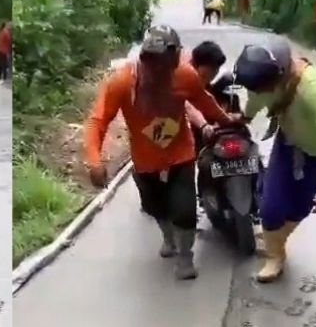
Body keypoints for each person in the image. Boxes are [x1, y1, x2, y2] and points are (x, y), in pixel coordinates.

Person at [84, 25, 233, 280]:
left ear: (175, 62)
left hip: (180, 152)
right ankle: (167, 236)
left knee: (185, 208)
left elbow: (204, 102)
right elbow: (97, 120)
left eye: (167, 66)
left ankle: (186, 257)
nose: (161, 72)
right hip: (145, 160)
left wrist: (226, 121)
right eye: (154, 65)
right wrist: (94, 160)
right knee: (154, 206)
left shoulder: (185, 76)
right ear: (143, 59)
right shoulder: (121, 83)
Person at [232, 37, 316, 283]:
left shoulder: (310, 87)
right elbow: (255, 100)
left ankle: (277, 238)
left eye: (261, 87)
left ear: (281, 76)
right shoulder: (262, 82)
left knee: (300, 207)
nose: (258, 92)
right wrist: (242, 119)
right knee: (270, 207)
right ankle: (275, 255)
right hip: (287, 144)